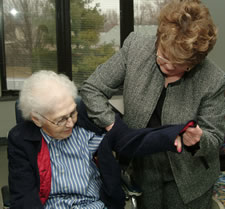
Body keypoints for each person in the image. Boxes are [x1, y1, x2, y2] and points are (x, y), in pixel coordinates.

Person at [80, 0, 225, 208]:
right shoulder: (136, 47)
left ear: (194, 62)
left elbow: (215, 136)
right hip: (143, 168)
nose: (167, 65)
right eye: (163, 55)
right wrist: (114, 125)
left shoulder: (213, 79)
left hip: (189, 177)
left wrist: (199, 140)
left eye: (178, 63)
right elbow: (92, 88)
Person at [7, 70, 106, 209]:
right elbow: (24, 196)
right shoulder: (21, 140)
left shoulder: (89, 127)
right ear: (37, 119)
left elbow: (122, 137)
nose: (71, 123)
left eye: (72, 113)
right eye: (61, 120)